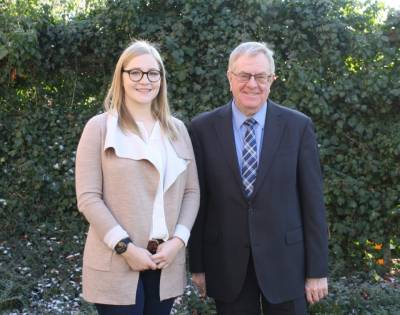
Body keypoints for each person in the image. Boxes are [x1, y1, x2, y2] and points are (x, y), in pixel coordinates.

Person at [188, 42, 328, 315]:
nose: (253, 84)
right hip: (227, 266)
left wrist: (317, 271)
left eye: (261, 76)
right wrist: (198, 265)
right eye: (244, 75)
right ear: (230, 77)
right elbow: (199, 201)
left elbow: (313, 205)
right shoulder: (202, 129)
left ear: (271, 80)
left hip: (288, 265)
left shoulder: (298, 127)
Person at [75, 40, 200, 315]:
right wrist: (125, 247)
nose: (145, 80)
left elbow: (192, 191)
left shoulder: (177, 130)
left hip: (164, 261)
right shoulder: (99, 128)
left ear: (161, 79)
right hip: (116, 260)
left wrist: (178, 242)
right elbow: (88, 197)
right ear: (121, 76)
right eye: (136, 72)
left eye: (153, 73)